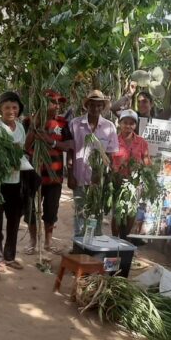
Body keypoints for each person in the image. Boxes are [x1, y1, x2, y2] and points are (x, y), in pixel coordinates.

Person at [23, 90, 73, 255]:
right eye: (53, 102)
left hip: (54, 177)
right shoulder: (29, 121)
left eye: (59, 103)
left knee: (51, 210)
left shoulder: (62, 124)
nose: (57, 106)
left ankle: (48, 241)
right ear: (43, 103)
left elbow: (69, 146)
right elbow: (24, 146)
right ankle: (32, 240)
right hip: (33, 175)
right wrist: (34, 127)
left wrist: (50, 142)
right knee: (30, 209)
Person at [0, 92, 32, 271]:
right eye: (7, 107)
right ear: (0, 109)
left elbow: (21, 150)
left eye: (14, 107)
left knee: (14, 219)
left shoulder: (20, 127)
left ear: (19, 109)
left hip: (16, 180)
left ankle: (10, 256)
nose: (11, 111)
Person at [68, 90, 119, 237]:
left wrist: (103, 175)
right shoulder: (75, 124)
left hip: (98, 180)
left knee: (97, 212)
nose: (95, 108)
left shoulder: (109, 127)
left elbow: (110, 155)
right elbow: (71, 151)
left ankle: (94, 244)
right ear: (87, 105)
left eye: (99, 105)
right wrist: (70, 175)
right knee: (80, 212)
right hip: (79, 177)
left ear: (103, 107)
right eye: (92, 104)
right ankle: (78, 246)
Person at [110, 110, 150, 238]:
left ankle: (124, 239)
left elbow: (147, 162)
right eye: (125, 123)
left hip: (135, 183)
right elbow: (108, 161)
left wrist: (143, 176)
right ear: (120, 124)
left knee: (131, 212)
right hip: (117, 181)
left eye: (131, 123)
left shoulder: (141, 142)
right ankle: (114, 239)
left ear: (135, 125)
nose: (128, 126)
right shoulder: (113, 140)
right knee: (117, 212)